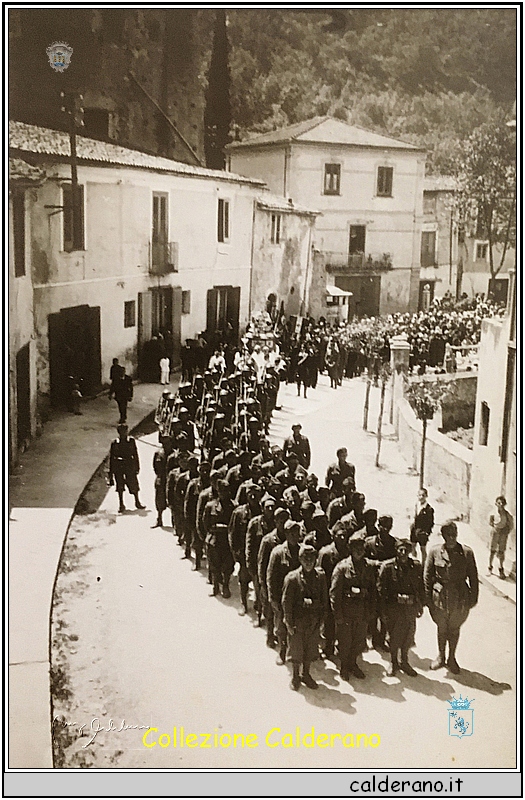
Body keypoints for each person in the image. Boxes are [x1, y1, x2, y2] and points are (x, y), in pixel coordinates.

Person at [424, 521, 479, 674]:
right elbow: (427, 577)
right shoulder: (435, 552)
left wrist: (473, 598)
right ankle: (441, 656)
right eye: (449, 535)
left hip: (459, 597)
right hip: (440, 597)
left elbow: (473, 577)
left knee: (454, 628)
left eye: (454, 534)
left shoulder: (466, 553)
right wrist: (428, 600)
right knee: (442, 627)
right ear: (443, 536)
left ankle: (452, 658)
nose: (452, 538)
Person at [330, 531, 376, 681]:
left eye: (361, 548)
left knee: (358, 641)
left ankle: (353, 663)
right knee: (345, 641)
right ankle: (344, 665)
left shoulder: (368, 567)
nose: (359, 551)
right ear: (350, 549)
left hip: (362, 613)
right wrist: (338, 616)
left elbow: (373, 590)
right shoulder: (342, 568)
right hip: (346, 613)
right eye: (356, 547)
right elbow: (334, 594)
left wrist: (370, 612)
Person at [282, 543, 328, 691]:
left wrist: (321, 621)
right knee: (296, 651)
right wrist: (288, 623)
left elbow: (324, 600)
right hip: (297, 623)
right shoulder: (292, 578)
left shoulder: (320, 577)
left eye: (311, 558)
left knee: (310, 650)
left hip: (313, 622)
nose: (308, 561)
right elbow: (286, 603)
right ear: (300, 559)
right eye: (305, 558)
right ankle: (296, 676)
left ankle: (306, 674)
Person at [377, 539, 425, 676]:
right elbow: (381, 591)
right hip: (394, 609)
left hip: (410, 609)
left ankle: (405, 661)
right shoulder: (387, 567)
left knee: (408, 637)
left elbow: (420, 588)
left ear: (410, 552)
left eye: (406, 550)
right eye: (400, 550)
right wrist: (384, 611)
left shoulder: (415, 566)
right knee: (393, 637)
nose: (403, 553)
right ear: (396, 551)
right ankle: (393, 662)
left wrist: (419, 604)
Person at [267, 519, 302, 667]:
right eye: (291, 534)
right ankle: (282, 650)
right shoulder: (278, 553)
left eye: (297, 533)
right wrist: (273, 598)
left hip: (298, 597)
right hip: (282, 597)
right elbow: (271, 576)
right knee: (281, 627)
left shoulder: (303, 551)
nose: (294, 536)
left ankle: (296, 653)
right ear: (286, 534)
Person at [108, 424, 146, 513]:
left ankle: (137, 501)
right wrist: (110, 473)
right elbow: (112, 458)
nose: (123, 433)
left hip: (129, 464)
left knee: (133, 483)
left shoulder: (131, 441)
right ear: (119, 432)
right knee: (120, 486)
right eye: (121, 431)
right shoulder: (115, 443)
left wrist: (137, 466)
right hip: (118, 466)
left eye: (125, 431)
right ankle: (121, 504)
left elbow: (135, 454)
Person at [488, 496, 514, 579]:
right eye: (499, 503)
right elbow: (490, 522)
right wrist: (495, 528)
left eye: (502, 503)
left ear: (505, 504)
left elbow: (511, 525)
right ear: (496, 504)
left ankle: (501, 569)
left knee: (501, 552)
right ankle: (490, 566)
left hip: (503, 534)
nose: (501, 505)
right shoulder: (493, 513)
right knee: (492, 550)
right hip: (495, 533)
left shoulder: (507, 514)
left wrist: (506, 531)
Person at [410, 488, 434, 567]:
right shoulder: (417, 505)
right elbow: (415, 517)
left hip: (422, 532)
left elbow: (430, 522)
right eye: (419, 495)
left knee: (422, 549)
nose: (421, 497)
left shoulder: (429, 509)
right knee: (412, 546)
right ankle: (414, 563)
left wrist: (427, 532)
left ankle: (424, 566)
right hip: (414, 530)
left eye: (423, 495)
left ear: (426, 496)